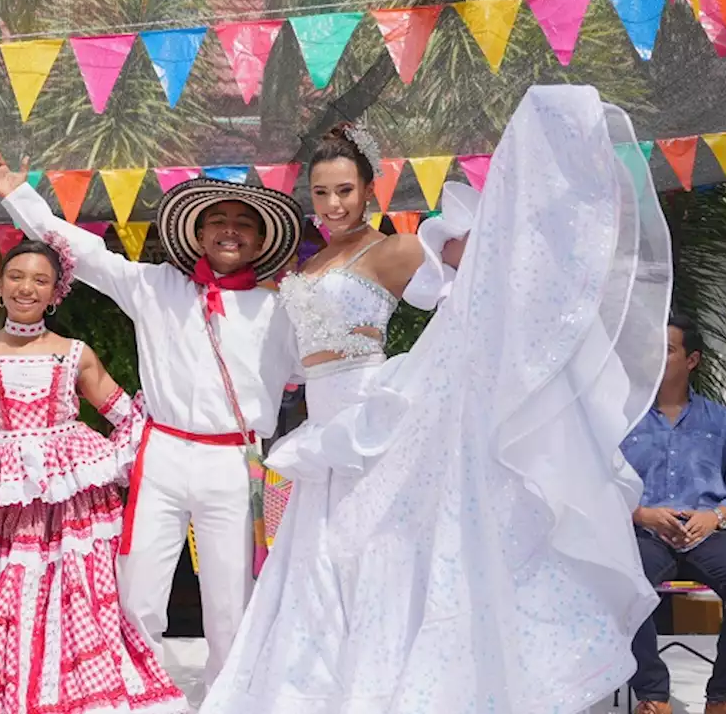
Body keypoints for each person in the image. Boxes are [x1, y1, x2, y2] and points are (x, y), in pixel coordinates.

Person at [199, 85, 673, 713]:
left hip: (374, 422)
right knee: (318, 563)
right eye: (321, 192)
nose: (333, 203)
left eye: (345, 190)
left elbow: (476, 267)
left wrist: (530, 215)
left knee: (375, 558)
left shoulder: (391, 248)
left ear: (369, 191)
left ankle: (378, 688)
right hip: (322, 428)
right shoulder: (306, 265)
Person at [0, 149, 303, 691]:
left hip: (236, 461)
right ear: (199, 235)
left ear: (262, 239)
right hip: (164, 453)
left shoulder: (283, 309)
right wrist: (19, 197)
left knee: (231, 597)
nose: (229, 232)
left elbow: (326, 368)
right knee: (137, 592)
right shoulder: (155, 286)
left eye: (243, 223)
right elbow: (78, 250)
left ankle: (229, 698)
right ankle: (139, 695)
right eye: (217, 222)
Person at [0, 238, 186, 714]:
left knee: (80, 602)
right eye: (17, 277)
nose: (27, 288)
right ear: (0, 286)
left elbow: (128, 416)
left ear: (55, 292)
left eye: (40, 280)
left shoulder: (74, 354)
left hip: (74, 511)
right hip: (7, 509)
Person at [621, 314, 726, 714]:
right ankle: (652, 695)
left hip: (708, 530)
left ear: (692, 360)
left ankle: (725, 696)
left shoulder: (722, 420)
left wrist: (717, 516)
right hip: (645, 530)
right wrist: (642, 514)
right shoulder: (621, 420)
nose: (654, 356)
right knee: (621, 582)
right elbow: (597, 483)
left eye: (666, 349)